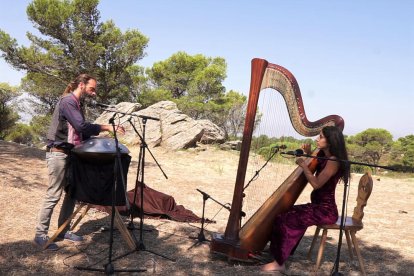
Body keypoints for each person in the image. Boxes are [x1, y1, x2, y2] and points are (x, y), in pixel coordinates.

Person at [34, 74, 125, 250]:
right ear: (81, 85)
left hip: (71, 154)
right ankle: (40, 234)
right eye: (92, 88)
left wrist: (102, 137)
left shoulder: (77, 104)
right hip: (58, 154)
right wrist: (107, 126)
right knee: (54, 194)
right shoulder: (68, 101)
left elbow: (82, 133)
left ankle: (63, 230)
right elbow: (81, 127)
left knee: (72, 193)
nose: (94, 93)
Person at [261, 125, 350, 272]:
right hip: (317, 206)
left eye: (320, 137)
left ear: (330, 140)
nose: (317, 139)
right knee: (284, 214)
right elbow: (318, 162)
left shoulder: (334, 160)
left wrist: (303, 165)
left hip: (325, 211)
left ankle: (279, 262)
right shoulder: (324, 154)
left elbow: (316, 184)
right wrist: (309, 154)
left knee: (287, 220)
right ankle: (280, 252)